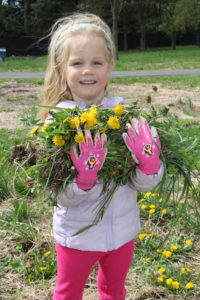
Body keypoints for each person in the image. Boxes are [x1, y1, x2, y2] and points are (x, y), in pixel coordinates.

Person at [40, 12, 164, 300]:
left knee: (114, 291)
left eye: (97, 62)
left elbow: (141, 184)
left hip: (122, 232)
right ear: (61, 68)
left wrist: (149, 167)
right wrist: (83, 180)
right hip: (78, 236)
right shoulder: (56, 124)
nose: (88, 70)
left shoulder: (124, 116)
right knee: (69, 293)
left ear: (110, 67)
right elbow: (57, 195)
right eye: (77, 63)